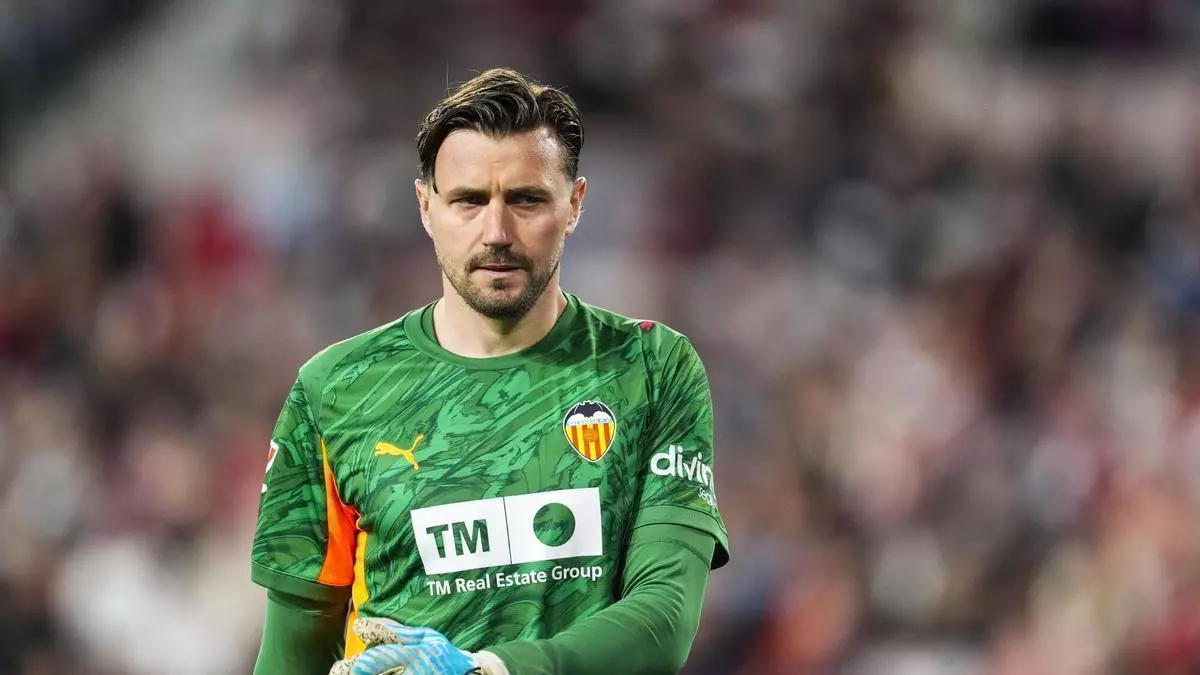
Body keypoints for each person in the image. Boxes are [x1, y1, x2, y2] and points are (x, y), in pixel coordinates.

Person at [250, 67, 729, 675]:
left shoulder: (651, 367)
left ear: (575, 204)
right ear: (426, 207)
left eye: (526, 199)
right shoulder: (334, 390)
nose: (496, 232)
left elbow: (664, 617)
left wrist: (492, 669)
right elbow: (291, 654)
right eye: (469, 201)